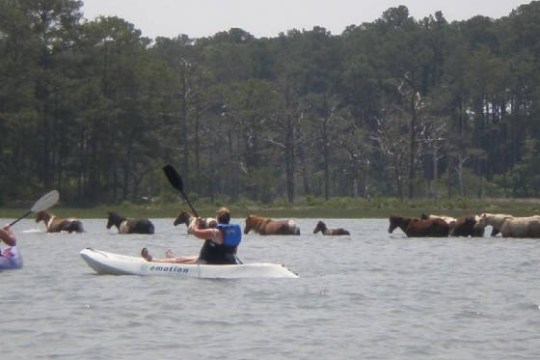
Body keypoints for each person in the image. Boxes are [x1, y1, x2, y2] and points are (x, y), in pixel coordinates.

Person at [141, 207, 242, 264]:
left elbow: (195, 232)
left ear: (217, 218)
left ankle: (153, 260)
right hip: (229, 261)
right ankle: (169, 259)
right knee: (183, 258)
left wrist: (197, 222)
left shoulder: (214, 232)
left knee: (179, 260)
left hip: (209, 262)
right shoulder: (233, 232)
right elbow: (234, 250)